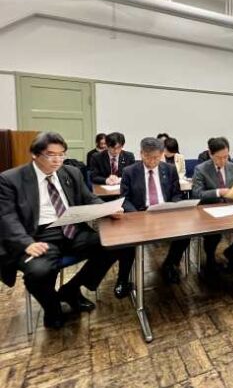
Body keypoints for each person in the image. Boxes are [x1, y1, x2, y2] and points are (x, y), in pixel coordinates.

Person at [0, 132, 120, 329]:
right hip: (38, 236)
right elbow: (7, 217)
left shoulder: (71, 172)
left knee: (116, 243)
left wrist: (107, 209)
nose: (57, 160)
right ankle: (52, 307)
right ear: (34, 154)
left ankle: (71, 290)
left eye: (61, 154)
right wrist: (26, 243)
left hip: (72, 228)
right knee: (38, 272)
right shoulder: (10, 179)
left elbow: (88, 197)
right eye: (51, 155)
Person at [116, 138, 190, 297]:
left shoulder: (169, 169)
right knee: (127, 241)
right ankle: (122, 279)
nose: (151, 161)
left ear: (162, 154)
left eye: (156, 157)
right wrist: (136, 215)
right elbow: (124, 199)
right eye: (148, 157)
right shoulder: (130, 171)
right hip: (140, 214)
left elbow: (177, 194)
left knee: (185, 235)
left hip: (165, 213)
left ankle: (170, 265)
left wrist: (173, 207)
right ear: (141, 153)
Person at [192, 137, 233, 276]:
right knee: (214, 236)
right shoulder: (201, 169)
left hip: (230, 208)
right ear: (210, 154)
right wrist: (218, 192)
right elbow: (197, 193)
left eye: (226, 157)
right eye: (219, 157)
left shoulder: (232, 167)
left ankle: (231, 251)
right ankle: (210, 261)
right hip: (209, 210)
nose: (223, 161)